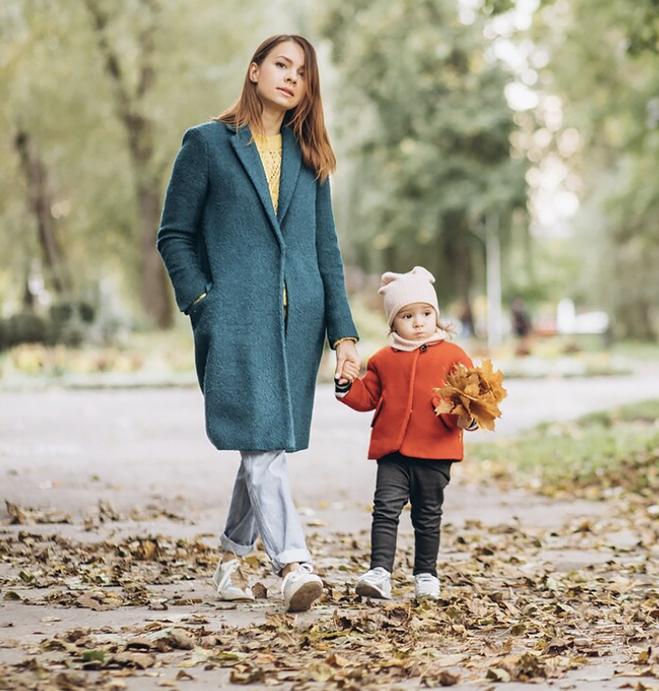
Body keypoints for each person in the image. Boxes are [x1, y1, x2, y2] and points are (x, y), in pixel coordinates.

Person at [156, 34, 361, 613]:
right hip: (236, 323)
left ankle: (228, 561)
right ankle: (294, 564)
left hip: (300, 329)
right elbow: (174, 235)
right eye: (281, 64)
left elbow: (327, 252)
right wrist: (203, 302)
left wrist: (343, 336)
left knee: (262, 444)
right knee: (264, 444)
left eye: (302, 71)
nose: (292, 77)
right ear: (254, 70)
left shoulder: (309, 157)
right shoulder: (207, 144)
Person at [334, 266, 476, 600]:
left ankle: (426, 574)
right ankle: (379, 571)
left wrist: (469, 419)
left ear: (436, 316)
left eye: (426, 313)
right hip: (393, 451)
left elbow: (472, 397)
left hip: (435, 450)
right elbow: (367, 396)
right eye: (407, 316)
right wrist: (345, 386)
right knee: (385, 509)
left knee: (427, 516)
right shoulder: (383, 359)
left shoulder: (453, 355)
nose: (418, 322)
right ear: (392, 323)